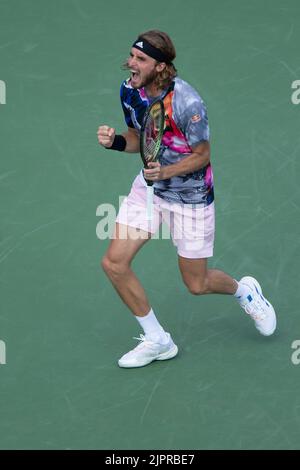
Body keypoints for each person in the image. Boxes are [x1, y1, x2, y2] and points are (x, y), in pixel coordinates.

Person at [97, 30, 276, 368]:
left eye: (141, 59)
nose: (131, 64)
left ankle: (245, 292)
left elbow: (202, 155)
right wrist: (115, 143)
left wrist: (164, 173)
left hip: (191, 198)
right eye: (132, 56)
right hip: (149, 192)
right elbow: (140, 136)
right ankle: (158, 340)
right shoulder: (129, 90)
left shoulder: (187, 103)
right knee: (114, 263)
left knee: (197, 283)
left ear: (160, 66)